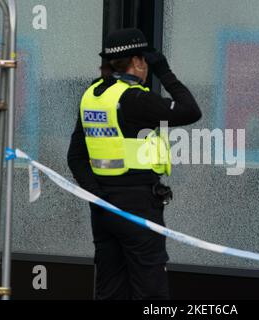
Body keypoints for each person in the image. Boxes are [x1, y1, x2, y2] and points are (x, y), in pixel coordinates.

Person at [67, 28, 201, 300]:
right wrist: (164, 71)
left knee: (111, 290)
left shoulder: (93, 96)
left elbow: (75, 157)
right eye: (145, 62)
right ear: (139, 62)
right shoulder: (134, 99)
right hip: (138, 208)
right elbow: (190, 110)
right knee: (150, 292)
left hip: (103, 209)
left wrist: (98, 196)